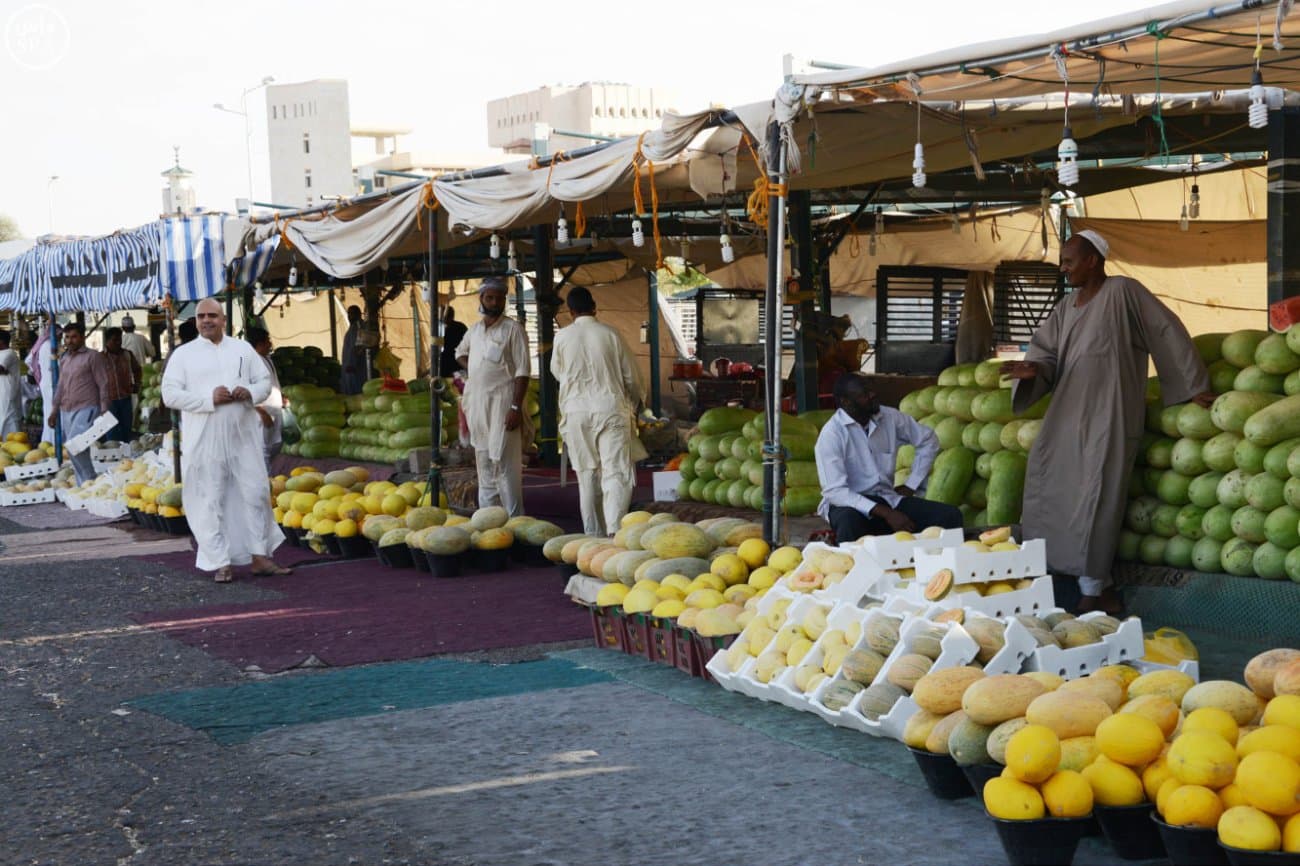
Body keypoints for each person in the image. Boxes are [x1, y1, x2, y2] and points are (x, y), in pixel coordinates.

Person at [1001, 230, 1214, 614]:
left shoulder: (1123, 292)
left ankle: (1094, 588)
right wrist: (1032, 369)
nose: (1063, 268)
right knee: (1046, 477)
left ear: (1093, 261)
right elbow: (1046, 352)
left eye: (1069, 260)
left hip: (1110, 410)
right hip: (1067, 411)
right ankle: (1062, 574)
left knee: (1098, 493)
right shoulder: (1067, 306)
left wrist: (1192, 384)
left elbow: (1165, 329)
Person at [161, 298, 291, 583]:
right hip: (205, 440)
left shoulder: (242, 349)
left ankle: (260, 556)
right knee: (212, 497)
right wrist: (208, 399)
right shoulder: (184, 354)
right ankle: (220, 562)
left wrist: (250, 393)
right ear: (195, 321)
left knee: (255, 492)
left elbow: (263, 383)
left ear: (223, 320)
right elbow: (169, 395)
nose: (206, 320)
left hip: (244, 436)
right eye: (201, 316)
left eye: (212, 316)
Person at [815, 372, 962, 542]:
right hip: (849, 503)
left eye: (871, 390)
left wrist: (911, 484)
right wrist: (887, 513)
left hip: (888, 498)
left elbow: (928, 440)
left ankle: (933, 565)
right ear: (845, 402)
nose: (872, 396)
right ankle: (852, 567)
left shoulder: (889, 417)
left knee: (950, 516)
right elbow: (835, 492)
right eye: (864, 395)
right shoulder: (832, 434)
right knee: (850, 522)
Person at [551, 287, 644, 536]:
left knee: (587, 476)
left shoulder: (561, 337)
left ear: (570, 311)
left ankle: (592, 536)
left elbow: (557, 373)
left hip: (576, 413)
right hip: (610, 409)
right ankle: (614, 532)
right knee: (615, 472)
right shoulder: (611, 334)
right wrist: (636, 403)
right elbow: (631, 377)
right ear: (595, 307)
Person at [455, 276, 531, 517]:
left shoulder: (513, 329)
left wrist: (516, 408)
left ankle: (514, 522)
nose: (495, 302)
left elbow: (523, 371)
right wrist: (476, 370)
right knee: (484, 464)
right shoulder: (475, 330)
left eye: (499, 298)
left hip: (503, 405)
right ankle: (488, 521)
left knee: (506, 467)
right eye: (490, 297)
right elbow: (460, 353)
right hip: (477, 405)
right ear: (482, 298)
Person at [47, 322, 110, 485]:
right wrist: (54, 410)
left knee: (76, 446)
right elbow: (60, 385)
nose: (69, 341)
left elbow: (103, 383)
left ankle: (90, 480)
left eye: (74, 337)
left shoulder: (93, 356)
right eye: (67, 337)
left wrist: (104, 410)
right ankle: (84, 484)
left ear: (82, 337)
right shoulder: (64, 358)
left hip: (87, 407)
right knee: (71, 447)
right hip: (66, 409)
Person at [246, 326, 283, 469]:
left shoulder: (267, 359)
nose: (270, 344)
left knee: (275, 445)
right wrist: (261, 412)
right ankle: (266, 483)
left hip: (274, 409)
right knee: (263, 450)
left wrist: (281, 395)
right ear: (260, 343)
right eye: (267, 341)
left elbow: (272, 382)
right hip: (262, 413)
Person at [101, 327, 140, 443]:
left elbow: (137, 369)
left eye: (119, 340)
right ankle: (114, 454)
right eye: (114, 340)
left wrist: (137, 383)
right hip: (108, 400)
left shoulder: (127, 355)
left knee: (126, 429)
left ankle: (126, 455)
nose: (118, 343)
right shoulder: (100, 357)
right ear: (107, 341)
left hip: (125, 398)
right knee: (111, 430)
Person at [27, 321, 58, 445]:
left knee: (49, 414)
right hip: (52, 384)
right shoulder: (50, 345)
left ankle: (49, 442)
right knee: (53, 415)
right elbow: (57, 366)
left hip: (48, 384)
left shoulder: (44, 345)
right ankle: (52, 443)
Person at [340, 305, 366, 395]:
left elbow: (358, 347)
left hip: (356, 369)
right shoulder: (353, 327)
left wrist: (352, 363)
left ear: (358, 314)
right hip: (350, 368)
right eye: (349, 314)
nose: (349, 316)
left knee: (357, 394)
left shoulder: (358, 327)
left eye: (352, 314)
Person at [0, 330, 22, 437]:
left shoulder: (9, 353)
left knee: (9, 419)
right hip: (2, 392)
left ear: (1, 341)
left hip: (8, 392)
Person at [438, 304, 468, 377]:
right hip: (443, 362)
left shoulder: (460, 327)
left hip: (458, 362)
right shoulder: (438, 328)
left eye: (447, 317)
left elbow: (467, 345)